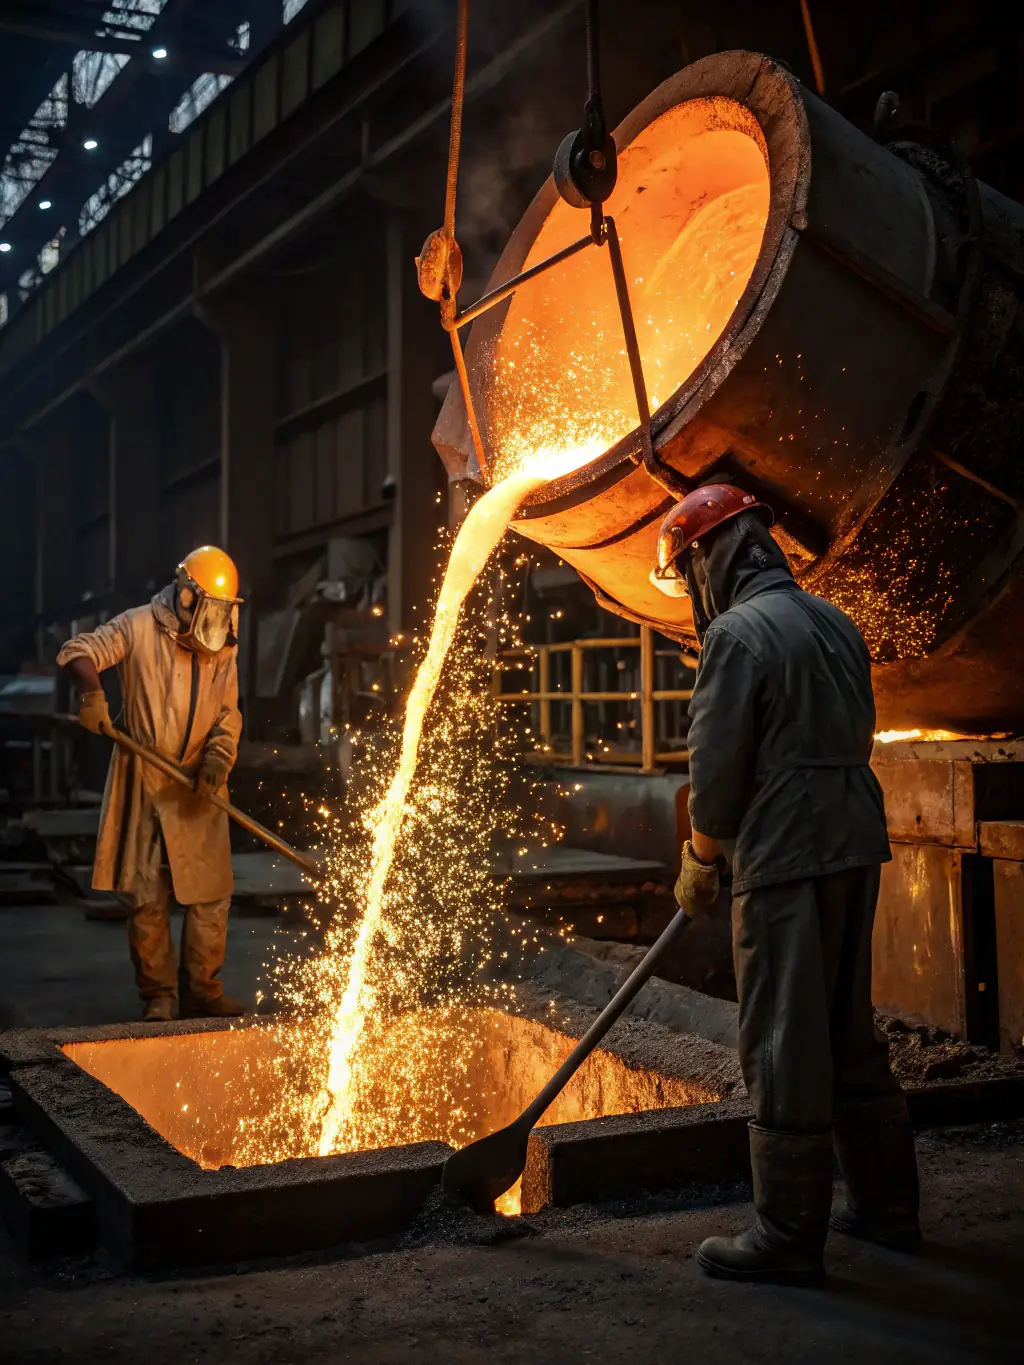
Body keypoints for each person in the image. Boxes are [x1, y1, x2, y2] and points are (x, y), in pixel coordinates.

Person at [651, 483, 920, 1286]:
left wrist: (702, 857)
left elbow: (719, 765)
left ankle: (786, 1232)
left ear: (708, 556)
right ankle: (888, 1208)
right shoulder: (834, 620)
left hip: (784, 848)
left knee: (781, 1037)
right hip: (853, 836)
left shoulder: (736, 635)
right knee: (846, 1027)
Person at [58, 547, 245, 1023]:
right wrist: (93, 694)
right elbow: (80, 651)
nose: (216, 620)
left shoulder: (222, 644)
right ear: (186, 597)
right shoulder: (137, 626)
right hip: (143, 779)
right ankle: (160, 996)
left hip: (198, 782)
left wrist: (216, 764)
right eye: (210, 609)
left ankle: (203, 992)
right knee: (146, 897)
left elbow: (227, 714)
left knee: (209, 895)